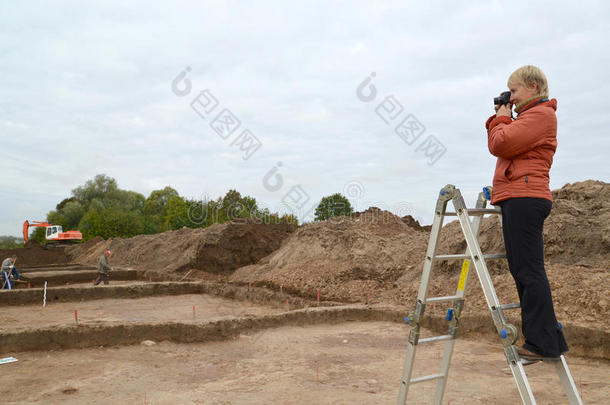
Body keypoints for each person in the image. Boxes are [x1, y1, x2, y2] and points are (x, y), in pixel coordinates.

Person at [485, 65, 568, 360]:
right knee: (524, 270)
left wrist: (501, 118)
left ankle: (541, 343)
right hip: (519, 195)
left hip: (524, 196)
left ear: (534, 86)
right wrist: (502, 118)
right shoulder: (531, 117)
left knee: (529, 271)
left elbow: (500, 143)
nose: (512, 97)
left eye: (515, 91)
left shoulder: (541, 115)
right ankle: (546, 339)